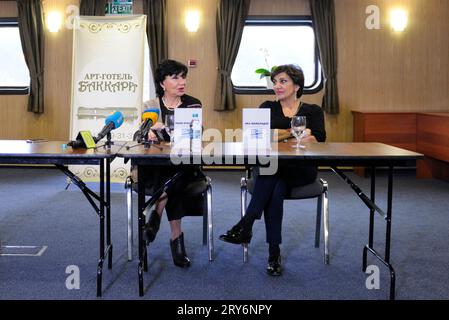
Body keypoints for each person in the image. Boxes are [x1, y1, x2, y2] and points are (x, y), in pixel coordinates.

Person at [219, 64, 326, 276]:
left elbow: (319, 138)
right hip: (271, 168)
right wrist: (293, 132)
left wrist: (279, 133)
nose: (277, 86)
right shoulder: (267, 107)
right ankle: (273, 253)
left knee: (270, 174)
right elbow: (257, 135)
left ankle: (246, 224)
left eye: (283, 81)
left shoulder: (313, 110)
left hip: (300, 170)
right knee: (274, 184)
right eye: (275, 82)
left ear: (297, 86)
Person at [135, 59, 204, 268]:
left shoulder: (193, 103)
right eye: (175, 77)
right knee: (170, 177)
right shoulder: (150, 106)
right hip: (156, 167)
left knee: (176, 172)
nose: (181, 82)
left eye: (183, 77)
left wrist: (162, 130)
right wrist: (151, 133)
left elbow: (193, 134)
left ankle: (155, 216)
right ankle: (176, 237)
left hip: (185, 165)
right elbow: (142, 137)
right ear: (162, 83)